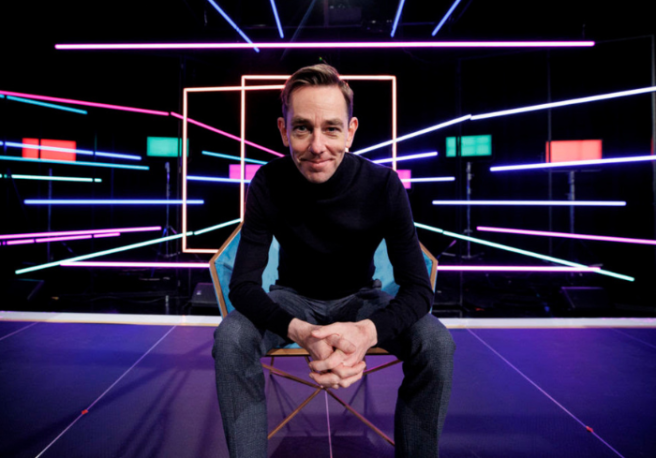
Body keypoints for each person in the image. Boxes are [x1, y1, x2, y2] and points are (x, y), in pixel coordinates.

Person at [213, 63, 455, 458]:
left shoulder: (383, 185)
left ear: (351, 131)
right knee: (231, 338)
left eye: (331, 129)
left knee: (436, 343)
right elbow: (242, 287)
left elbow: (418, 289)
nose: (317, 146)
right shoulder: (268, 182)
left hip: (361, 300)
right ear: (283, 130)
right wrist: (302, 332)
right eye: (302, 128)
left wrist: (366, 333)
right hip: (292, 299)